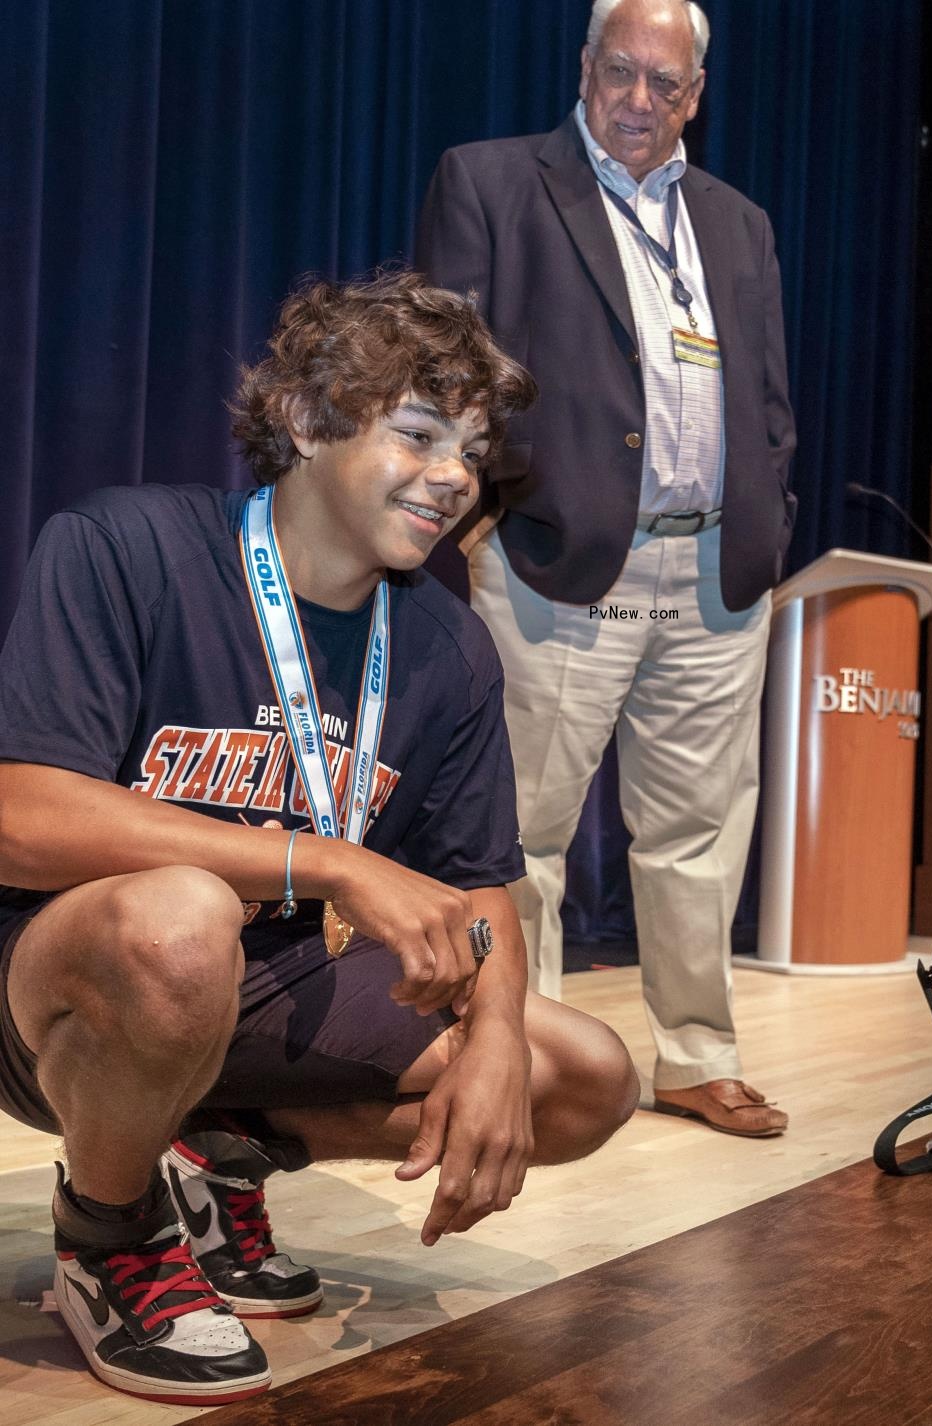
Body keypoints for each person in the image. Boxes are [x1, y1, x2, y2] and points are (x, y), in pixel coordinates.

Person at [0, 272, 641, 1405]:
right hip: (58, 983)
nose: (453, 475)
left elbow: (482, 883)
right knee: (180, 916)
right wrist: (333, 859)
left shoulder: (446, 649)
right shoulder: (125, 546)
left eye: (474, 448)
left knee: (580, 1078)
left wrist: (491, 1037)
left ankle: (221, 1146)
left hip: (262, 985)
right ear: (304, 421)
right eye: (420, 432)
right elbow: (20, 816)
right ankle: (109, 1234)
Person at [414, 0, 795, 1139]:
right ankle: (521, 1059)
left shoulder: (739, 223)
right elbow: (448, 366)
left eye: (663, 85)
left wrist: (767, 504)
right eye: (619, 74)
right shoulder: (491, 183)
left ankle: (694, 1055)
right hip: (550, 558)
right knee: (521, 834)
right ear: (583, 70)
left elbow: (768, 401)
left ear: (696, 96)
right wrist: (484, 515)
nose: (639, 101)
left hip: (715, 571)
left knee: (697, 831)